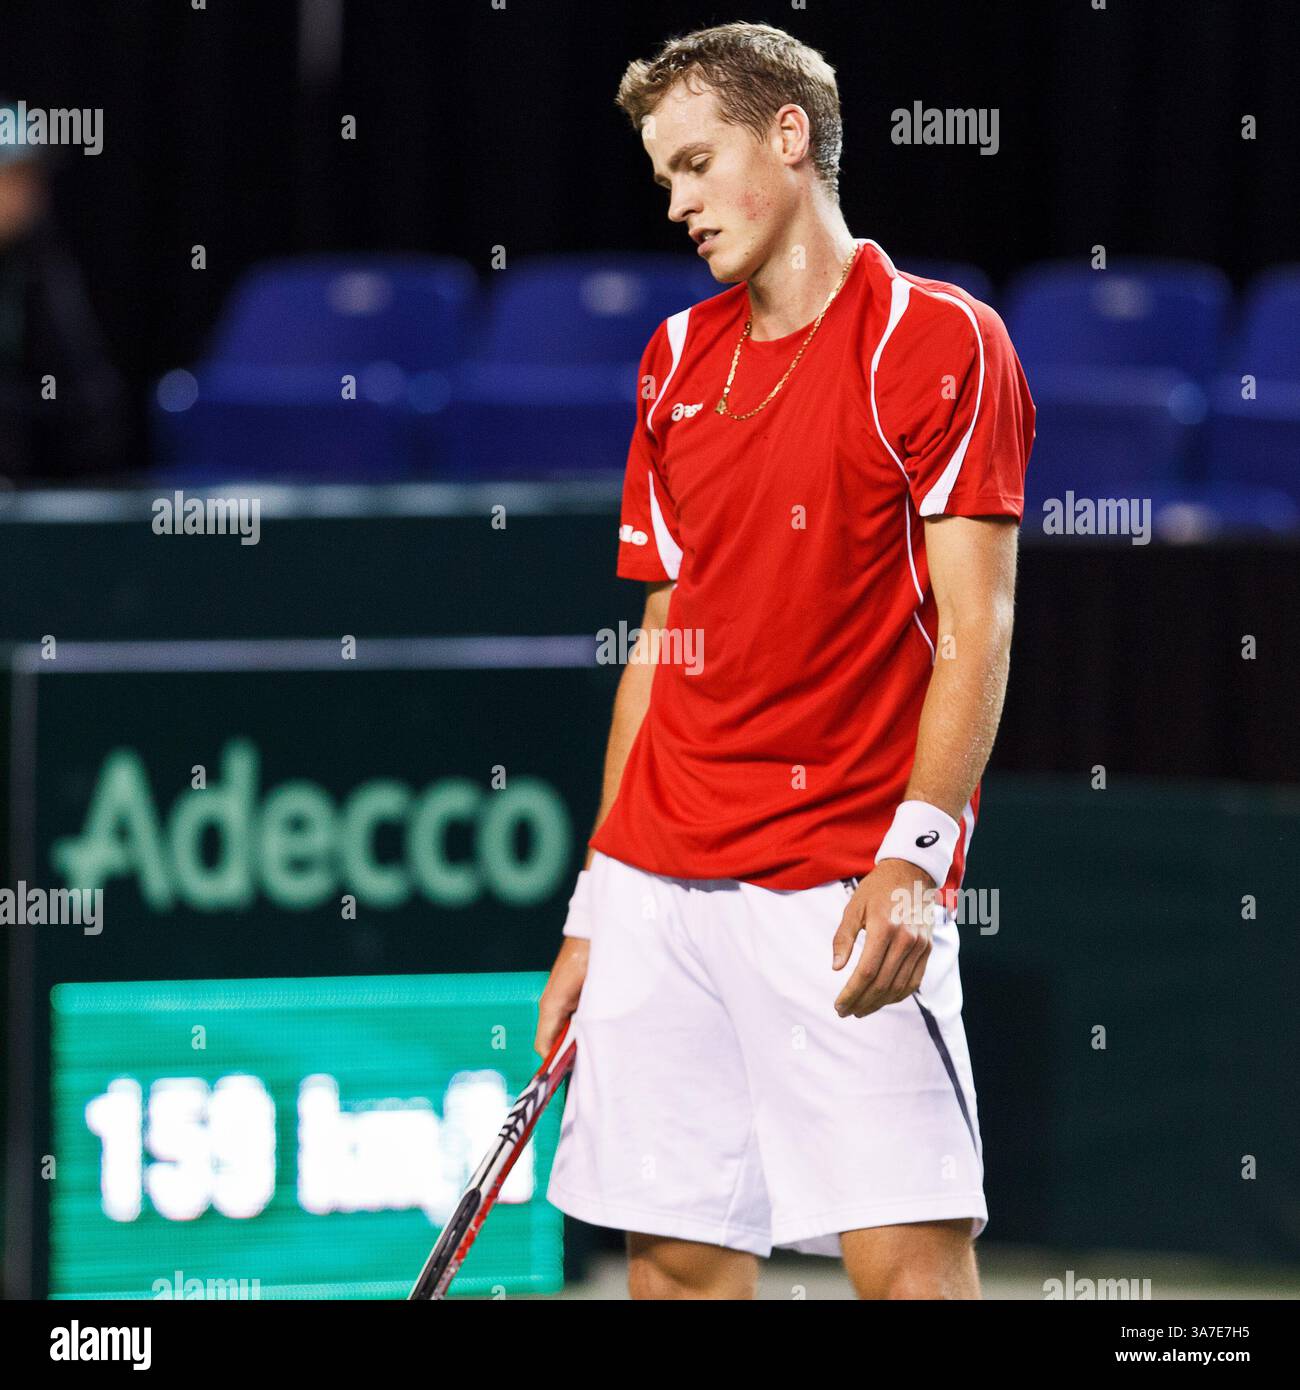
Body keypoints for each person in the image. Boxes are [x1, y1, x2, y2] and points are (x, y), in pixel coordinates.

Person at [536, 22, 1035, 1300]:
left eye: (698, 164)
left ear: (790, 137)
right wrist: (598, 901)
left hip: (839, 886)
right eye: (663, 179)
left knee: (907, 1269)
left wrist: (917, 857)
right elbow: (662, 638)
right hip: (657, 885)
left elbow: (977, 628)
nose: (680, 204)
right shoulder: (671, 362)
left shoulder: (940, 343)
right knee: (680, 1266)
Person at [0, 101, 127, 483]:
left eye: (32, 177)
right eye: (12, 178)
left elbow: (89, 399)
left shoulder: (42, 270)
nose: (29, 194)